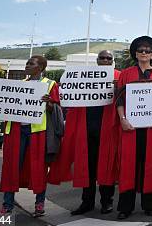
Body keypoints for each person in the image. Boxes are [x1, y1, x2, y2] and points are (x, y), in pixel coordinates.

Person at [48, 50, 119, 215]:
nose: (105, 60)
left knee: (106, 166)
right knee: (87, 167)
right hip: (86, 127)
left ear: (112, 61)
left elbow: (125, 99)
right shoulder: (84, 76)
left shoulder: (117, 76)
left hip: (107, 129)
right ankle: (86, 202)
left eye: (109, 58)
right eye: (102, 58)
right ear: (97, 60)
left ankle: (107, 202)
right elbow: (68, 94)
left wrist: (117, 88)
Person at [115, 36, 152, 219]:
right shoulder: (126, 74)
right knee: (128, 165)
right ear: (135, 53)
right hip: (130, 128)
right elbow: (120, 100)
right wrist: (122, 119)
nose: (144, 53)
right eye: (141, 50)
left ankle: (150, 205)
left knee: (151, 164)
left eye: (147, 51)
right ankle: (126, 207)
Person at [0, 56, 60, 216]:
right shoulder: (20, 85)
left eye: (31, 63)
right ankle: (7, 203)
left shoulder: (50, 84)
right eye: (27, 63)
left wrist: (49, 103)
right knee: (12, 166)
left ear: (40, 67)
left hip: (37, 132)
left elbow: (56, 109)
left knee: (39, 167)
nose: (27, 65)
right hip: (16, 130)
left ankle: (39, 204)